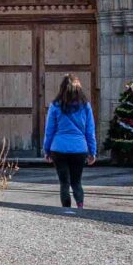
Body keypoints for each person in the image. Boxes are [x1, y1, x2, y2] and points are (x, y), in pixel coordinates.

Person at [42, 73, 96, 210]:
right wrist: (92, 152)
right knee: (76, 182)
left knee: (64, 182)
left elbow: (49, 131)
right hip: (79, 149)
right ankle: (80, 207)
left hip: (58, 149)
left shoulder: (55, 106)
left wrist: (46, 150)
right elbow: (90, 131)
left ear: (62, 88)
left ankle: (66, 209)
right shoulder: (85, 106)